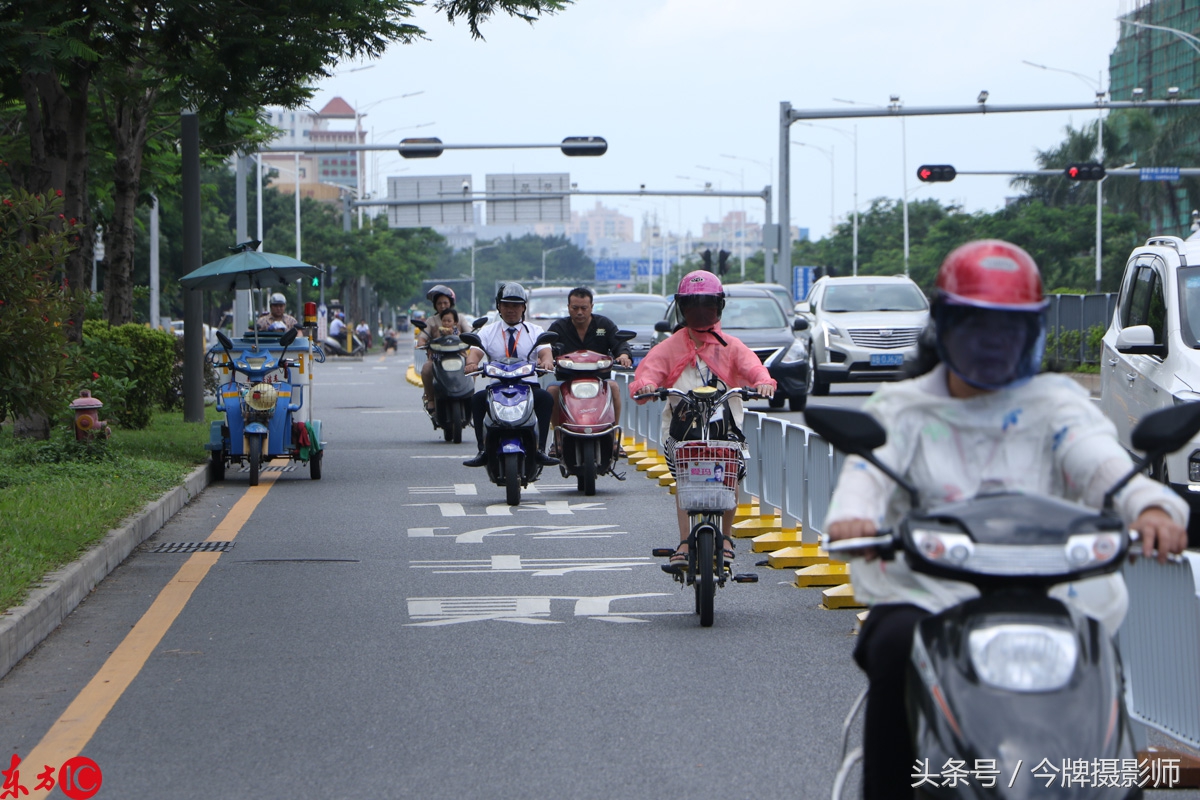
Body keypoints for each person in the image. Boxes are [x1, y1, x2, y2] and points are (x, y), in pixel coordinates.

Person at [823, 240, 1189, 800]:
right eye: (978, 327)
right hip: (933, 593)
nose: (994, 342)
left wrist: (1150, 506)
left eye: (1010, 329)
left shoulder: (1055, 404)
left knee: (1095, 654)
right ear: (945, 327)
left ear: (1032, 331)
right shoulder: (903, 409)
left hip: (1053, 591)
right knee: (894, 645)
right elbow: (867, 473)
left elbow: (1100, 461)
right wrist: (853, 519)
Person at [629, 270, 776, 566]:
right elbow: (647, 373)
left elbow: (755, 368)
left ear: (718, 306)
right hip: (682, 431)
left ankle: (726, 537)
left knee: (731, 474)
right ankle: (685, 541)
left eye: (707, 305)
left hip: (726, 429)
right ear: (682, 308)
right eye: (693, 305)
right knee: (685, 479)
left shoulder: (730, 345)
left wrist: (763, 382)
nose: (700, 311)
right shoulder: (669, 347)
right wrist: (645, 386)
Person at [462, 282, 558, 468]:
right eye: (506, 305)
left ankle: (540, 449)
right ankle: (482, 449)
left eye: (516, 305)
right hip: (497, 387)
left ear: (524, 307)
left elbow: (546, 352)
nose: (511, 310)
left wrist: (547, 361)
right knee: (477, 399)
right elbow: (475, 353)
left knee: (546, 398)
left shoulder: (536, 331)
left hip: (528, 387)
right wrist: (471, 364)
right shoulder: (488, 331)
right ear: (499, 306)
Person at [546, 286, 633, 458]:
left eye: (584, 308)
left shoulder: (604, 325)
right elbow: (546, 348)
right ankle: (558, 438)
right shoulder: (558, 327)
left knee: (614, 387)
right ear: (568, 307)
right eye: (575, 308)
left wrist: (623, 355)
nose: (579, 312)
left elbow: (620, 343)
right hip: (566, 380)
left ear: (591, 307)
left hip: (599, 381)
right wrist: (546, 359)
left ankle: (613, 437)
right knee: (552, 390)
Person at [418, 285, 458, 413]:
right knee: (426, 369)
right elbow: (422, 337)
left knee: (470, 367)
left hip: (457, 356)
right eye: (439, 303)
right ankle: (430, 398)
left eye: (445, 302)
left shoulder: (459, 318)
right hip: (436, 358)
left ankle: (468, 395)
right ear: (435, 306)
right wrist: (422, 343)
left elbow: (469, 332)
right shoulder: (431, 321)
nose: (442, 306)